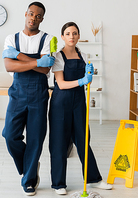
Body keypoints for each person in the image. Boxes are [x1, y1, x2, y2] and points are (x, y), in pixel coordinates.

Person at [48, 22, 113, 195]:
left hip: (78, 103)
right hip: (60, 104)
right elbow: (60, 84)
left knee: (84, 141)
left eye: (74, 33)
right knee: (59, 143)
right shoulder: (58, 56)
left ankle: (93, 179)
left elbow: (87, 82)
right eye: (68, 33)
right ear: (62, 36)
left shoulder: (84, 55)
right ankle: (59, 184)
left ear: (78, 36)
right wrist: (82, 81)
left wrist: (89, 76)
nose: (71, 36)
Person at [1, 1, 55, 196]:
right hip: (17, 93)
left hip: (39, 94)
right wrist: (36, 61)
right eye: (31, 14)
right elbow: (9, 66)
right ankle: (29, 166)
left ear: (42, 19)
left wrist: (18, 56)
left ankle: (29, 180)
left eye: (38, 16)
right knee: (9, 135)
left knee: (35, 139)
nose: (33, 18)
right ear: (25, 14)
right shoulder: (11, 38)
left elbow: (46, 69)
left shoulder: (48, 39)